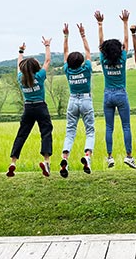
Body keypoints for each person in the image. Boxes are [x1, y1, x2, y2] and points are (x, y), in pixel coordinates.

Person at [95, 9, 136, 169]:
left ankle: (110, 157)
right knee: (126, 126)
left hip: (108, 95)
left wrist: (100, 24)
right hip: (121, 94)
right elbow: (126, 41)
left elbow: (100, 44)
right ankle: (129, 156)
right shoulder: (123, 58)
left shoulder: (103, 59)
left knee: (109, 127)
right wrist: (125, 23)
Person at [6, 37, 53, 177]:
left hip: (28, 108)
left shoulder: (21, 78)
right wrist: (47, 45)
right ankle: (46, 161)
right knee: (46, 132)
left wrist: (21, 51)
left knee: (21, 134)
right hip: (40, 107)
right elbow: (48, 61)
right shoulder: (39, 76)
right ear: (35, 67)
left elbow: (18, 64)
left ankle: (13, 162)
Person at [59, 23, 95, 177]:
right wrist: (83, 35)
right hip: (86, 100)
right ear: (81, 62)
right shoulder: (86, 68)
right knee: (90, 131)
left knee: (70, 132)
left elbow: (65, 52)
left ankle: (65, 158)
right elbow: (88, 52)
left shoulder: (67, 70)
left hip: (72, 101)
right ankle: (87, 156)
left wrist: (66, 36)